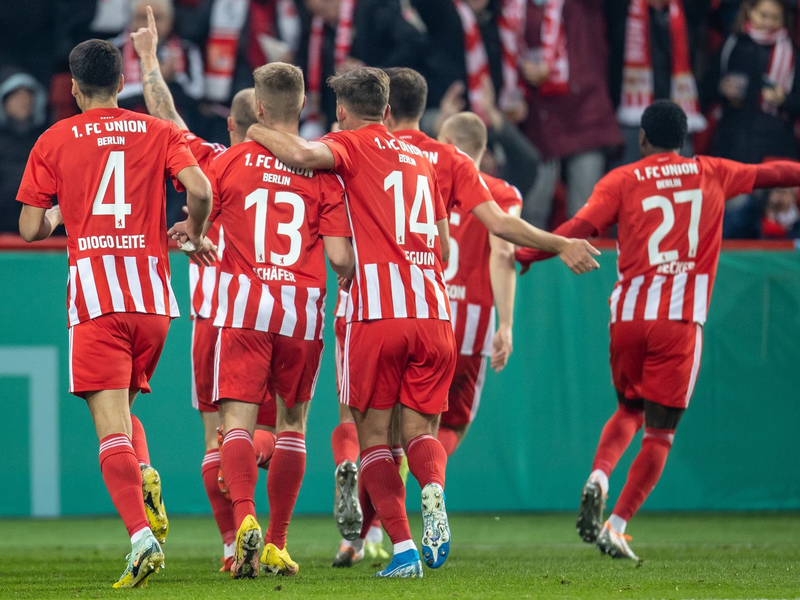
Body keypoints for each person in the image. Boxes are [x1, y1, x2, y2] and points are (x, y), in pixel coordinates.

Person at [516, 99, 800, 561]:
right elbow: (775, 174)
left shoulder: (623, 179)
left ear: (643, 139)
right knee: (660, 433)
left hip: (628, 315)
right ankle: (618, 524)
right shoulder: (711, 171)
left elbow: (579, 226)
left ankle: (600, 475)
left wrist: (527, 255)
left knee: (628, 408)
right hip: (679, 321)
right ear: (683, 140)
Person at [16, 38, 212, 587]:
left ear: (74, 89)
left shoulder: (54, 139)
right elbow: (199, 188)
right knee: (124, 420)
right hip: (152, 301)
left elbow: (29, 228)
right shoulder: (159, 130)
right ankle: (145, 474)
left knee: (108, 433)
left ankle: (141, 539)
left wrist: (60, 209)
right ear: (121, 83)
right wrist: (194, 233)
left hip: (98, 300)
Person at [248, 66, 455, 578]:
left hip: (376, 312)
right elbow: (446, 245)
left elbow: (298, 155)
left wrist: (255, 129)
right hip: (433, 310)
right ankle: (432, 492)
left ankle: (405, 549)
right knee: (421, 431)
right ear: (386, 109)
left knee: (374, 440)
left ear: (342, 111)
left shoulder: (349, 145)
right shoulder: (424, 162)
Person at [130, 5, 276, 572]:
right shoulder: (307, 169)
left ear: (232, 125)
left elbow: (165, 114)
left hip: (221, 320)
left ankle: (230, 542)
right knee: (282, 430)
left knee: (218, 441)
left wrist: (147, 59)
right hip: (286, 316)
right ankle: (275, 533)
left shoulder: (213, 163)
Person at [208, 61, 354, 579]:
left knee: (237, 424)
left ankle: (244, 517)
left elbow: (202, 199)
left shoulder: (232, 162)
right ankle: (276, 542)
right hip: (301, 311)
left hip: (246, 306)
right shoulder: (325, 171)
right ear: (304, 106)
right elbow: (339, 259)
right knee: (292, 425)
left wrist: (194, 228)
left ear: (260, 109)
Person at [436, 111, 522, 456]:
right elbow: (503, 253)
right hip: (468, 326)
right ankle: (429, 493)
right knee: (453, 423)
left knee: (394, 423)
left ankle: (382, 504)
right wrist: (507, 324)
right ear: (481, 151)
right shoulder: (501, 193)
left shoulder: (420, 180)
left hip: (419, 312)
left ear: (449, 146)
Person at [710, 0, 800, 164]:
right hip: (731, 144)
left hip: (775, 149)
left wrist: (784, 100)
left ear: (784, 19)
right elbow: (706, 87)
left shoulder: (793, 54)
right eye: (763, 15)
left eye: (775, 18)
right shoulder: (732, 44)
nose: (768, 23)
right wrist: (721, 88)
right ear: (750, 12)